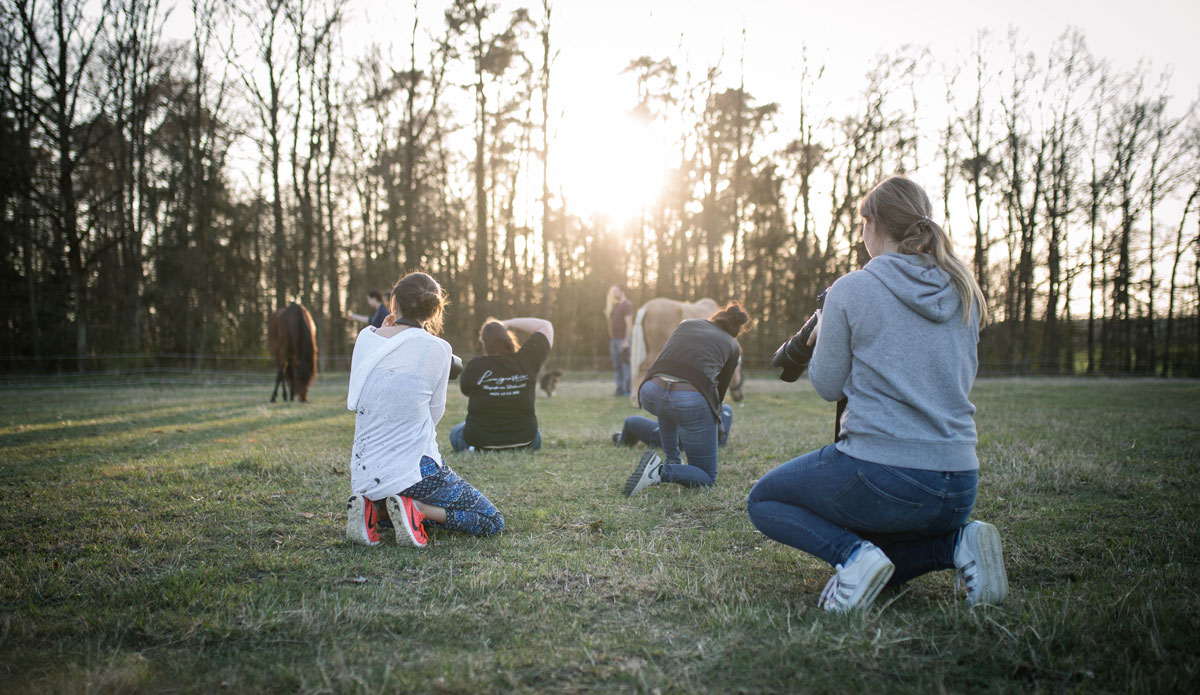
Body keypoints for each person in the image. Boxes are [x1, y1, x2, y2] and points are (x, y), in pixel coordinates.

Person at [747, 175, 1007, 613]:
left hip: (883, 477)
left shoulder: (853, 288)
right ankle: (957, 544)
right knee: (884, 560)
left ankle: (852, 557)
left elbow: (828, 386)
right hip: (960, 483)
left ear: (870, 223)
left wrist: (829, 326)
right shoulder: (962, 288)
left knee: (764, 499)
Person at [345, 272, 503, 547]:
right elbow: (434, 415)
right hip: (413, 470)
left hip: (364, 472)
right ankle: (416, 510)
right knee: (491, 521)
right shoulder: (439, 349)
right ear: (434, 311)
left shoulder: (365, 338)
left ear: (393, 302)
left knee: (391, 489)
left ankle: (376, 510)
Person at [622, 303, 750, 496]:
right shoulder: (732, 345)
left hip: (650, 391)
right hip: (687, 400)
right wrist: (718, 426)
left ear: (717, 316)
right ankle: (658, 471)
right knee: (707, 476)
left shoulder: (686, 324)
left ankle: (673, 458)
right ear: (737, 331)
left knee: (669, 403)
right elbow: (719, 392)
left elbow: (667, 362)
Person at [449, 317, 554, 452]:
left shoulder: (474, 366)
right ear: (507, 338)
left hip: (479, 441)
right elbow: (545, 325)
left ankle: (476, 449)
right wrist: (507, 324)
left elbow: (466, 390)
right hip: (526, 441)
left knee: (456, 431)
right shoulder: (527, 360)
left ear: (483, 342)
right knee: (536, 432)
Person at [613, 403, 734, 449]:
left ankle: (621, 441)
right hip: (712, 432)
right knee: (726, 408)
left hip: (682, 437)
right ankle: (718, 440)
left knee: (631, 421)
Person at [605, 285, 634, 397]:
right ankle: (619, 389)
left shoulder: (627, 305)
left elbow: (629, 324)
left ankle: (627, 390)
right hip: (614, 340)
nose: (614, 293)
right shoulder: (616, 306)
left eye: (616, 291)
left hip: (623, 340)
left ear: (622, 291)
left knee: (625, 365)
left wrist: (626, 341)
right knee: (616, 365)